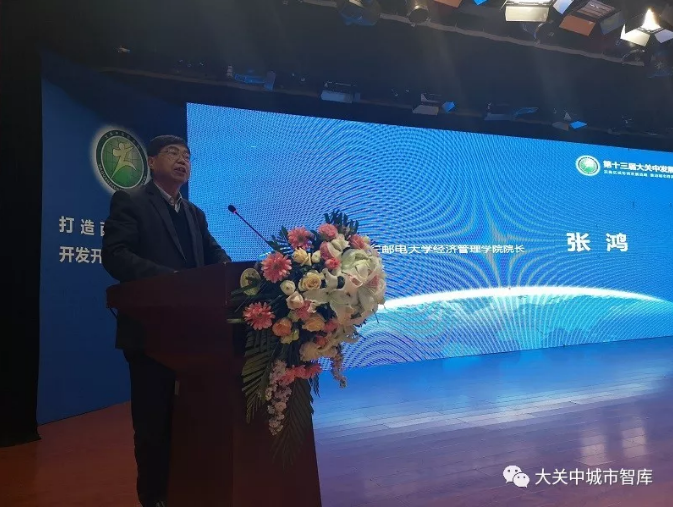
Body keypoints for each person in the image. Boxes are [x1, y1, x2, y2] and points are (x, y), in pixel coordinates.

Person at [102, 135, 231, 507]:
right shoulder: (130, 201)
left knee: (190, 419)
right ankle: (155, 497)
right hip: (151, 334)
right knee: (153, 423)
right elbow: (116, 255)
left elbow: (214, 254)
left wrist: (235, 272)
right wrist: (170, 280)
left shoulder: (194, 213)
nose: (182, 160)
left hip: (194, 336)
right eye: (173, 153)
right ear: (151, 161)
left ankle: (189, 491)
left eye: (187, 155)